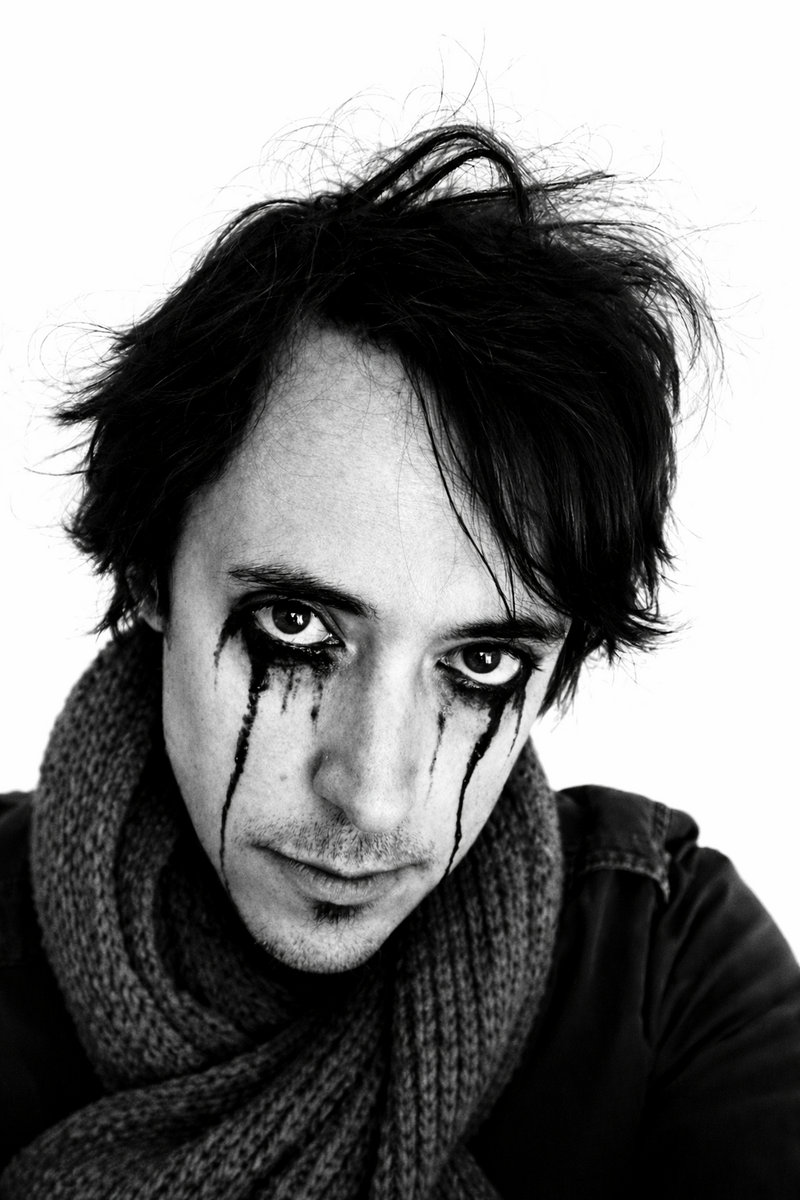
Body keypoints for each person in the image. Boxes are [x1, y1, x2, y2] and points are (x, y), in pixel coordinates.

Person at [0, 122, 798, 1200]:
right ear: (150, 568)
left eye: (481, 662)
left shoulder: (664, 968)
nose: (372, 795)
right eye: (295, 628)